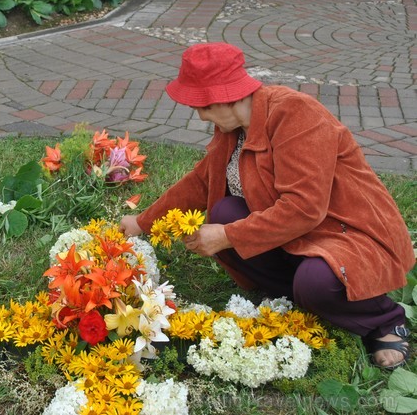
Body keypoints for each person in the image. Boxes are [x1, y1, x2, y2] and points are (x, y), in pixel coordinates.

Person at [120, 42, 414, 369]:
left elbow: (305, 208)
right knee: (224, 212)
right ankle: (294, 298)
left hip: (346, 233)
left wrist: (228, 236)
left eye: (201, 106)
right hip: (296, 237)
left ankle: (384, 319)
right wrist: (142, 223)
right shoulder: (232, 127)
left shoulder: (296, 114)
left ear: (222, 97)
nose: (200, 115)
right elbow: (201, 181)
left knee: (313, 280)